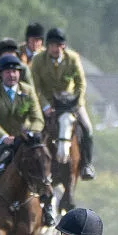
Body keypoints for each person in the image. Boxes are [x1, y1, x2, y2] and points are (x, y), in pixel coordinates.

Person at [0, 54, 52, 227]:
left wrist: (29, 132)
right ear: (1, 74)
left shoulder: (28, 91)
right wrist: (4, 137)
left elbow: (38, 118)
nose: (12, 75)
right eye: (8, 72)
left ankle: (47, 207)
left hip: (23, 141)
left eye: (15, 71)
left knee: (42, 165)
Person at [30, 27, 96, 180]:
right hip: (48, 102)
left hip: (70, 101)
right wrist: (45, 105)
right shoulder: (38, 60)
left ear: (63, 46)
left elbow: (81, 83)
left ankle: (87, 164)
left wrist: (76, 103)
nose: (55, 49)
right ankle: (34, 166)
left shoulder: (72, 58)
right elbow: (35, 87)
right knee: (34, 131)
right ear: (47, 46)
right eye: (52, 45)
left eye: (58, 45)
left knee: (87, 128)